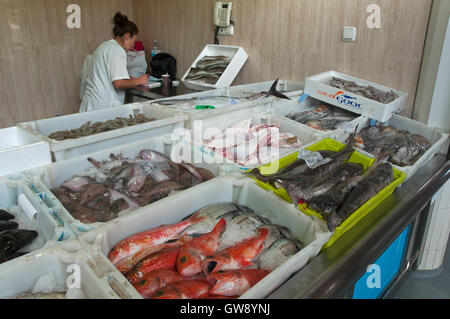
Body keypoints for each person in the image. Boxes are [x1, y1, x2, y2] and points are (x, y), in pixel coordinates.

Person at [80, 12, 149, 112]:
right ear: (127, 36)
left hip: (91, 103)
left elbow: (108, 73)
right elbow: (118, 83)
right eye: (133, 41)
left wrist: (131, 78)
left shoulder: (104, 46)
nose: (133, 45)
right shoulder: (118, 51)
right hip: (102, 106)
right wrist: (139, 81)